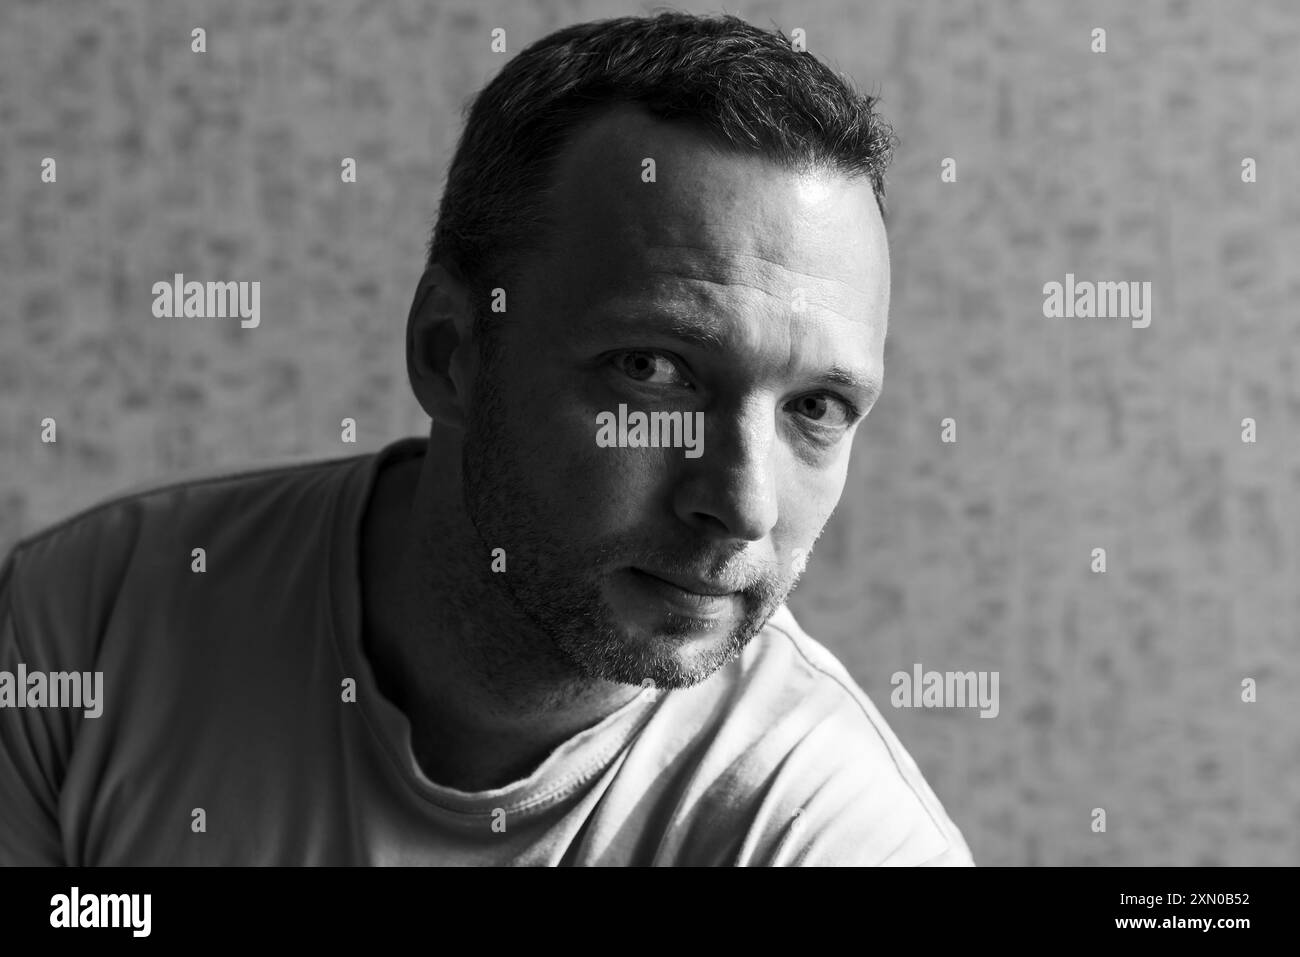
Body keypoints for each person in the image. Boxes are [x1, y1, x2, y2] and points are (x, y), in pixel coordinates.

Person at [0, 11, 974, 865]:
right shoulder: (86, 625)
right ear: (449, 350)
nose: (742, 503)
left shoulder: (830, 835)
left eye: (815, 410)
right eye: (654, 371)